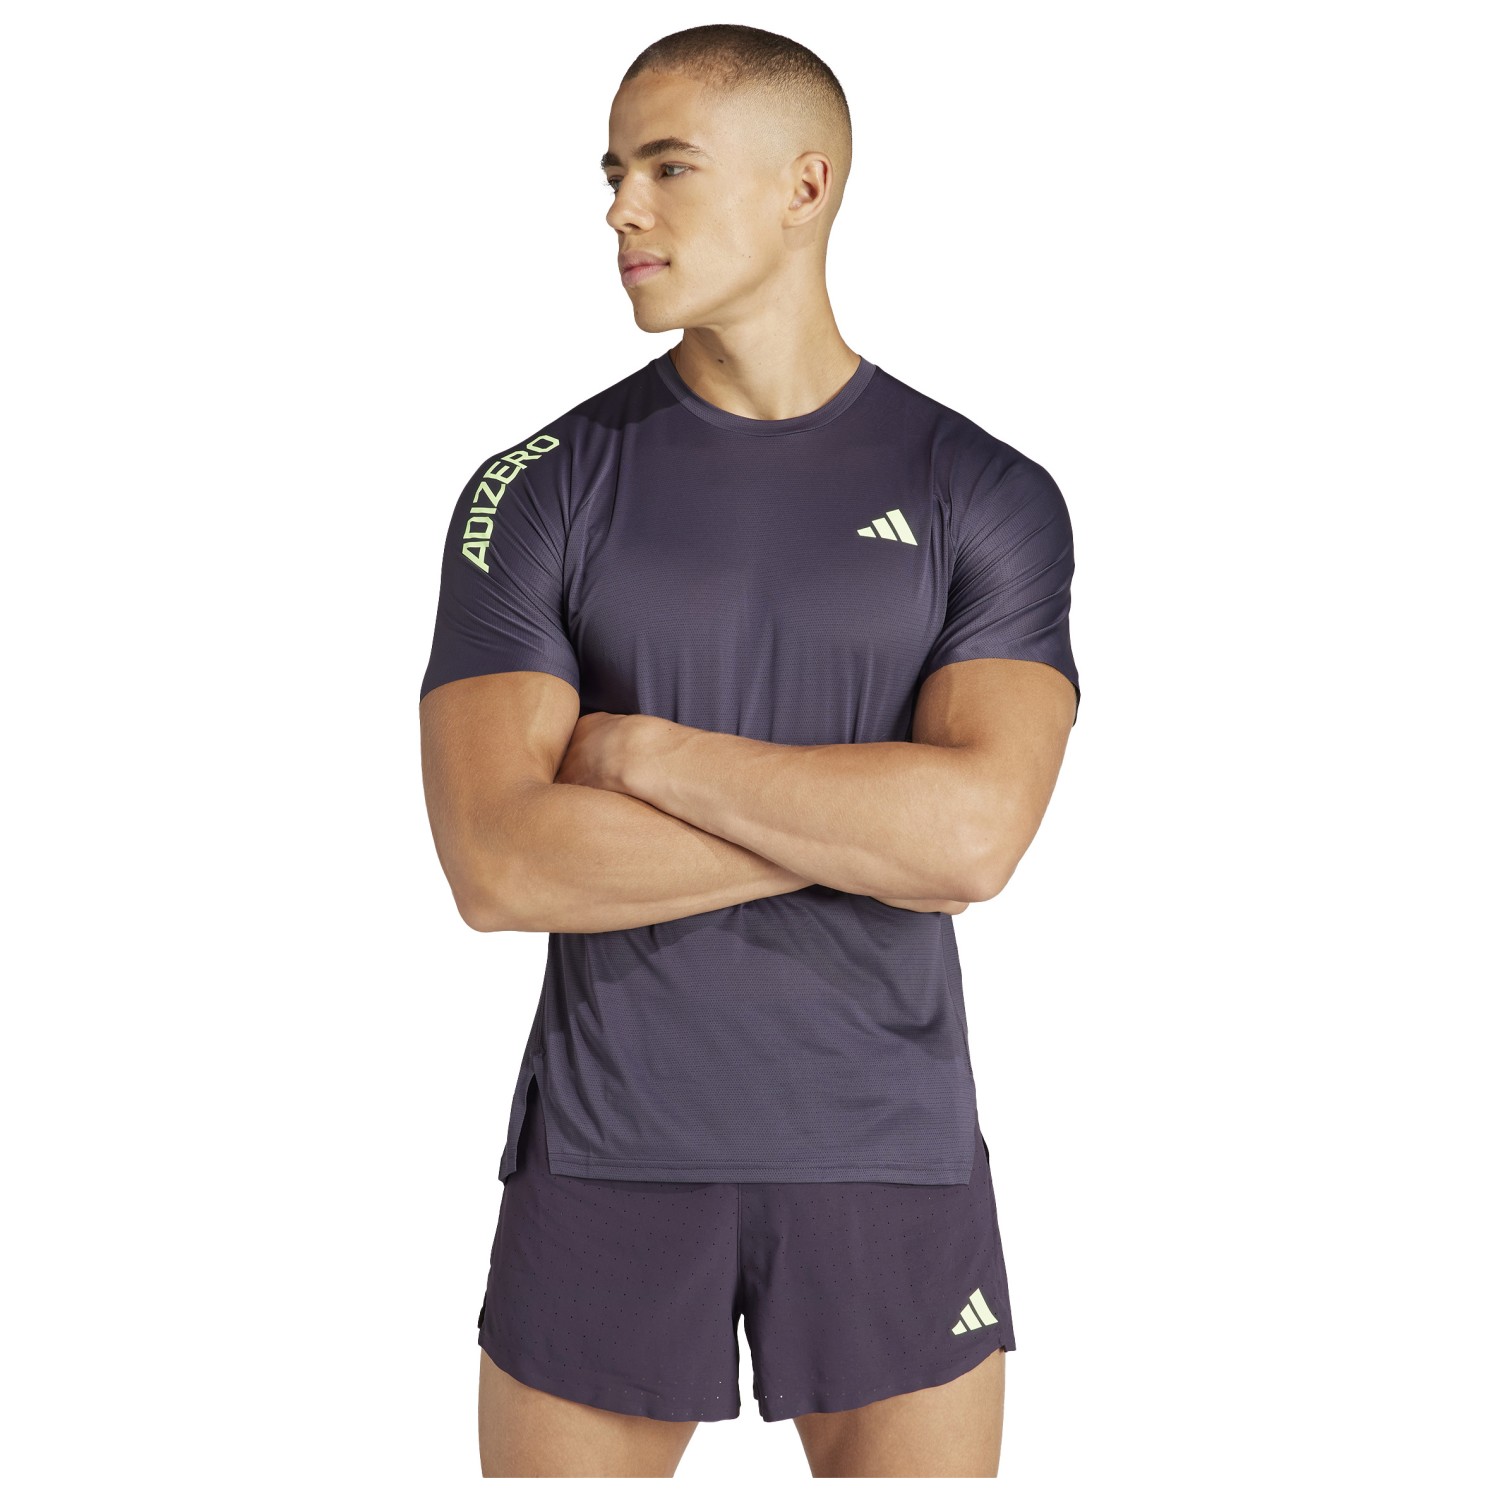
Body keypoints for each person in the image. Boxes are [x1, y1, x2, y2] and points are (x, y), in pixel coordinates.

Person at [417, 23, 1080, 1479]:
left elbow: (973, 839)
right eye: (612, 172)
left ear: (805, 186)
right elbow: (499, 863)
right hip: (606, 1152)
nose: (620, 209)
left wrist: (643, 754)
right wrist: (864, 825)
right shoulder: (533, 490)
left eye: (668, 168)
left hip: (890, 1154)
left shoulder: (982, 490)